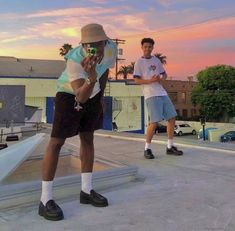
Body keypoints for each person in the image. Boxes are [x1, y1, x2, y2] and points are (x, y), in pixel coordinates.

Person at [38, 23, 117, 221]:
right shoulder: (74, 60)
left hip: (93, 92)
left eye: (99, 44)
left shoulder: (111, 48)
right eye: (89, 45)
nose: (95, 49)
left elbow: (106, 69)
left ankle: (86, 191)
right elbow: (80, 97)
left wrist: (100, 98)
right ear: (83, 45)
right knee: (56, 142)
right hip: (69, 93)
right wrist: (91, 78)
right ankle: (45, 199)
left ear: (105, 41)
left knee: (88, 139)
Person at [133, 38, 183, 159]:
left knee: (171, 118)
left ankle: (170, 147)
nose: (147, 49)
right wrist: (150, 80)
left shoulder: (156, 60)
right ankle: (147, 149)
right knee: (154, 122)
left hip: (162, 93)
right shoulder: (139, 62)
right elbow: (136, 80)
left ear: (152, 48)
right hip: (151, 94)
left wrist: (161, 78)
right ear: (142, 47)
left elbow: (164, 74)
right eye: (145, 47)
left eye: (150, 47)